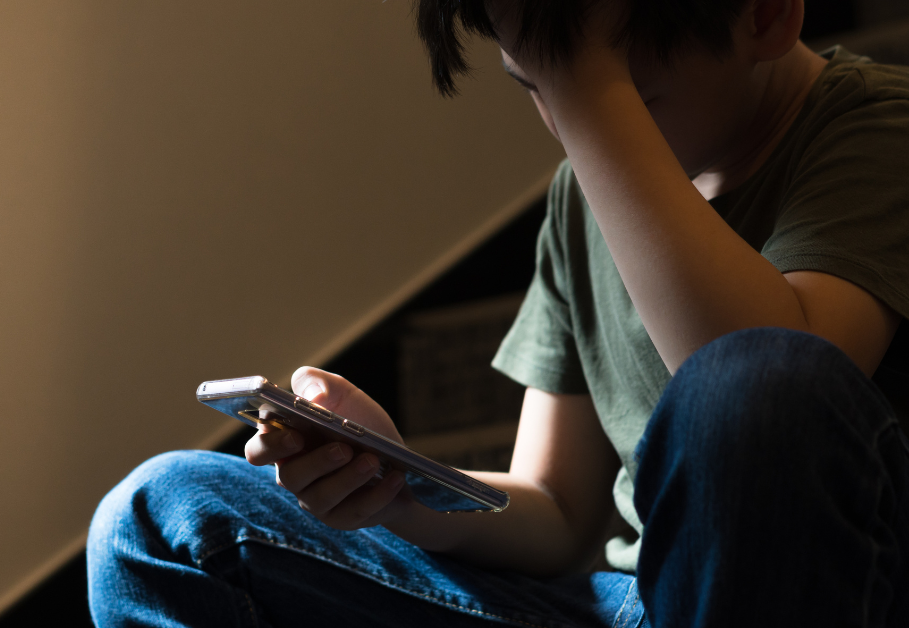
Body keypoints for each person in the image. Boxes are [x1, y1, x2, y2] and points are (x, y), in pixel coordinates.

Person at [87, 0, 909, 625]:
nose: (571, 136)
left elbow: (770, 378)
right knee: (161, 514)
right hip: (632, 602)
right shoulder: (578, 199)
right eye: (537, 91)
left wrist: (586, 89)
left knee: (756, 381)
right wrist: (404, 490)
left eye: (624, 100)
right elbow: (555, 511)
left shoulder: (878, 128)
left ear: (765, 14)